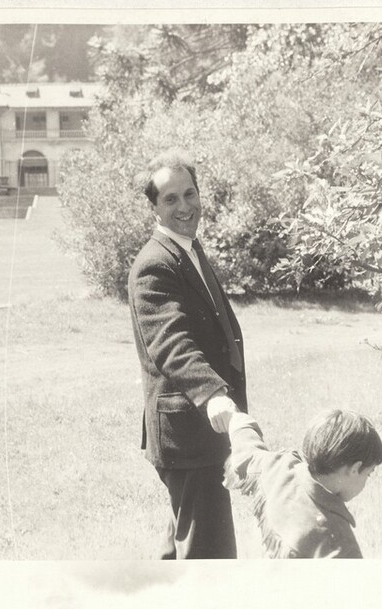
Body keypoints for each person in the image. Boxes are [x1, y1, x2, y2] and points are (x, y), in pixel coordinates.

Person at [128, 149, 246, 559]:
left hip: (200, 432)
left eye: (189, 194)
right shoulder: (155, 264)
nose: (184, 206)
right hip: (189, 432)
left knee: (185, 542)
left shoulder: (189, 251)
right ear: (154, 208)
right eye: (171, 199)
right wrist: (213, 394)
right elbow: (171, 342)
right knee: (208, 555)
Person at [223, 409, 382, 558]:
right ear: (355, 469)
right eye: (368, 474)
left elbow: (247, 446)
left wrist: (233, 414)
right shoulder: (337, 540)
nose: (366, 481)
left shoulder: (276, 468)